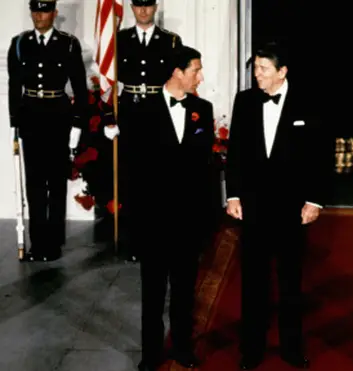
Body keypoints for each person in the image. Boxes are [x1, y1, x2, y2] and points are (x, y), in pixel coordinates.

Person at [225, 41, 328, 370]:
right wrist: (233, 195)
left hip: (292, 208)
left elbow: (320, 156)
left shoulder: (308, 102)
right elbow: (236, 152)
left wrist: (314, 199)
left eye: (263, 69)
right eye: (255, 68)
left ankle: (291, 348)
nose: (257, 75)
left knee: (290, 281)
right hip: (253, 206)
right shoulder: (245, 101)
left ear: (282, 72)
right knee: (253, 281)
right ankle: (251, 349)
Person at [135, 46, 214, 371]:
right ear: (177, 72)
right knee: (152, 294)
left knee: (184, 291)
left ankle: (182, 347)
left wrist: (207, 218)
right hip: (154, 221)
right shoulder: (142, 110)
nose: (201, 76)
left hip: (189, 220)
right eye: (195, 69)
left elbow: (206, 167)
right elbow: (134, 171)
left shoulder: (203, 110)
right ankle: (151, 354)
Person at [102, 0, 184, 262]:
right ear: (132, 8)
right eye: (138, 5)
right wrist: (108, 118)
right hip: (129, 112)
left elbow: (179, 80)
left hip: (159, 113)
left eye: (148, 5)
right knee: (131, 179)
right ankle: (134, 242)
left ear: (155, 7)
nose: (143, 11)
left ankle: (158, 241)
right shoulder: (118, 39)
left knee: (160, 179)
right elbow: (108, 83)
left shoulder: (171, 41)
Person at [7, 0, 88, 262]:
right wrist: (14, 123)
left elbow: (79, 87)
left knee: (55, 181)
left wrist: (77, 123)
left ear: (54, 13)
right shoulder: (20, 43)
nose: (39, 16)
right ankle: (37, 242)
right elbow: (14, 87)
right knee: (34, 183)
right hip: (30, 116)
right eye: (35, 10)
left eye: (44, 10)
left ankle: (53, 242)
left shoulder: (68, 43)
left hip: (58, 117)